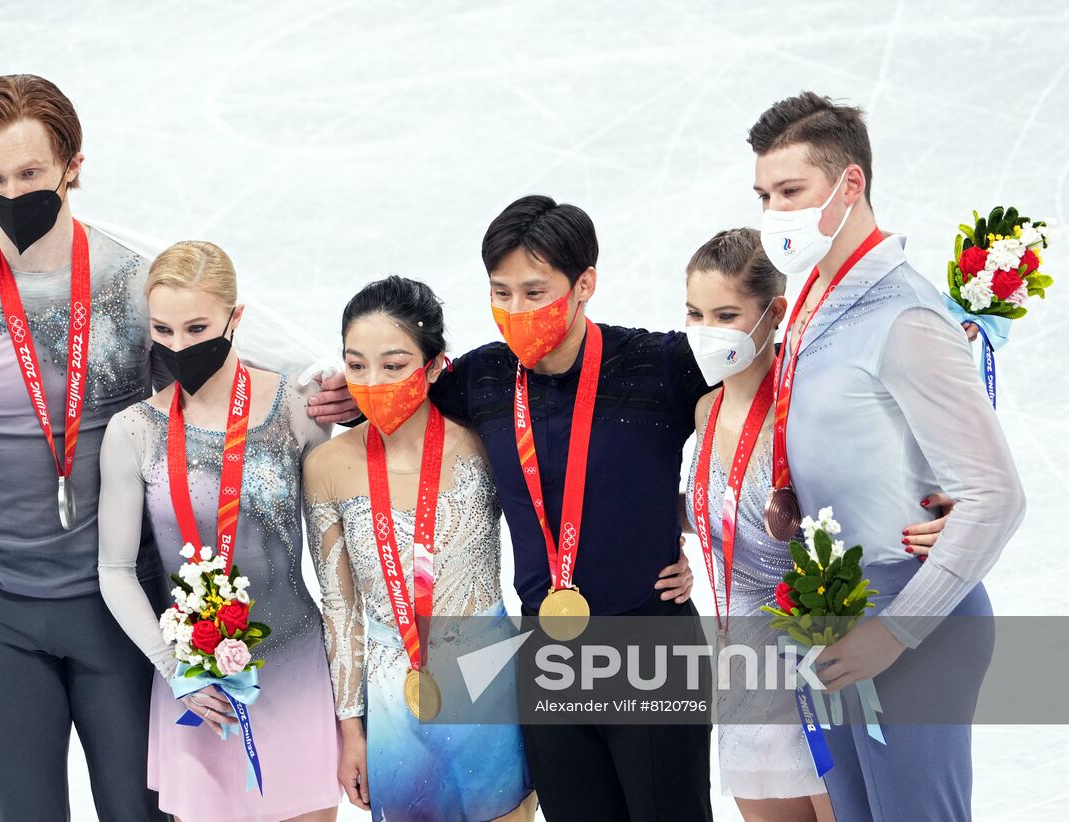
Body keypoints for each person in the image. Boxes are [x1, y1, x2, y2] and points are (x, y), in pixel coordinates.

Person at [0, 75, 356, 821]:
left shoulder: (133, 286)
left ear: (72, 166)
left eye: (29, 174)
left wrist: (324, 398)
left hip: (121, 609)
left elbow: (221, 383)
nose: (12, 193)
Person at [746, 91, 1025, 822]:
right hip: (836, 611)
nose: (774, 213)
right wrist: (796, 497)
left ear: (850, 185)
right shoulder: (816, 300)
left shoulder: (904, 316)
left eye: (791, 192)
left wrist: (894, 632)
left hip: (914, 621)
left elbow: (996, 497)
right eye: (764, 195)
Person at [428, 195, 711, 821]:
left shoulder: (658, 365)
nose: (515, 311)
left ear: (584, 284)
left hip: (649, 645)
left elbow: (757, 421)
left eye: (534, 292)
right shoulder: (482, 378)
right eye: (500, 293)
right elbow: (394, 415)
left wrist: (684, 522)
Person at [681, 227, 957, 822]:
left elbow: (899, 459)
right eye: (695, 313)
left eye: (727, 314)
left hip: (815, 657)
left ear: (773, 313)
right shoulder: (704, 410)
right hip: (742, 662)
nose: (707, 331)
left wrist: (951, 502)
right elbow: (720, 506)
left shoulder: (805, 406)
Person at [98, 240, 342, 822]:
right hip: (197, 687)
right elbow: (114, 570)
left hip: (296, 670)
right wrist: (172, 667)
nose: (179, 346)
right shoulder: (132, 432)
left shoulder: (297, 411)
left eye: (197, 326)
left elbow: (337, 563)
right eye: (164, 329)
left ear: (236, 318)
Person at [304, 276, 536, 822]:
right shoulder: (326, 467)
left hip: (489, 675)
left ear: (433, 367)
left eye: (393, 364)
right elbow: (342, 611)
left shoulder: (482, 443)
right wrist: (350, 729)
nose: (373, 381)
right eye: (356, 365)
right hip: (390, 695)